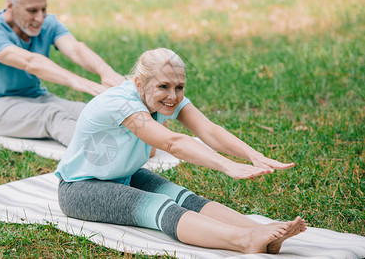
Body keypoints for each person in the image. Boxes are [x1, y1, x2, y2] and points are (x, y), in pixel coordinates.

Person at [54, 48, 307, 254]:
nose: (173, 96)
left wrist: (253, 155)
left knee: (186, 198)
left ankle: (262, 232)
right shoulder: (122, 103)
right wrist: (227, 165)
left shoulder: (161, 97)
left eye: (180, 87)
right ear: (140, 84)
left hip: (126, 175)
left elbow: (209, 130)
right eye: (164, 86)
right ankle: (244, 240)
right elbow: (173, 143)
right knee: (159, 205)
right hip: (80, 188)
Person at [0, 0, 124, 146]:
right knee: (51, 115)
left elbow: (75, 48)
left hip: (35, 97)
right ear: (10, 6)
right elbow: (31, 62)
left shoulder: (48, 24)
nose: (40, 18)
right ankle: (106, 155)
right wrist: (77, 81)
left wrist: (106, 71)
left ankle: (139, 142)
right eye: (32, 11)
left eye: (44, 9)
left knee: (92, 112)